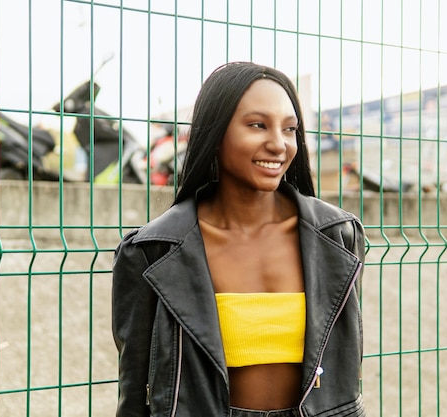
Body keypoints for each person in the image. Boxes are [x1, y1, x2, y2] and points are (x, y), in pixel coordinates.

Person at [112, 61, 367, 417]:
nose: (278, 144)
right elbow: (134, 390)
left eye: (290, 129)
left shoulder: (338, 236)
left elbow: (345, 369)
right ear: (214, 135)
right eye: (258, 125)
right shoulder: (153, 251)